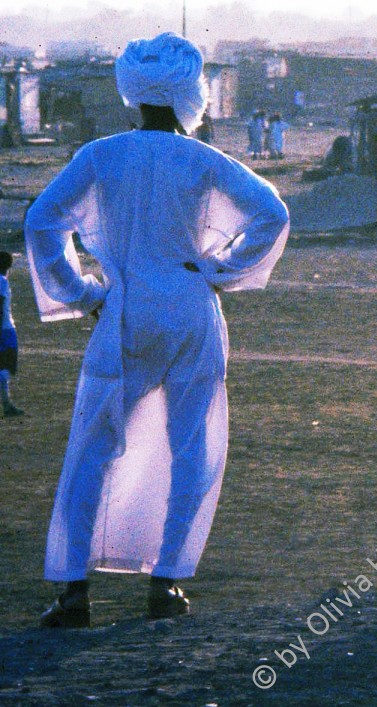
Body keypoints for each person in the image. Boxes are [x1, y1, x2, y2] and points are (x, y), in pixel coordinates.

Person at [31, 34, 290, 628]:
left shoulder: (100, 155)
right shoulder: (202, 159)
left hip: (123, 309)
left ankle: (73, 593)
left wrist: (79, 293)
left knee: (90, 449)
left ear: (132, 93)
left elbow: (43, 220)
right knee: (191, 446)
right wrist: (222, 270)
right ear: (189, 95)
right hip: (191, 307)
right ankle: (166, 582)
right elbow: (271, 213)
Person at [0, 251, 22, 417]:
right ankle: (6, 405)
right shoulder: (2, 281)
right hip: (5, 328)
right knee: (8, 365)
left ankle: (7, 404)